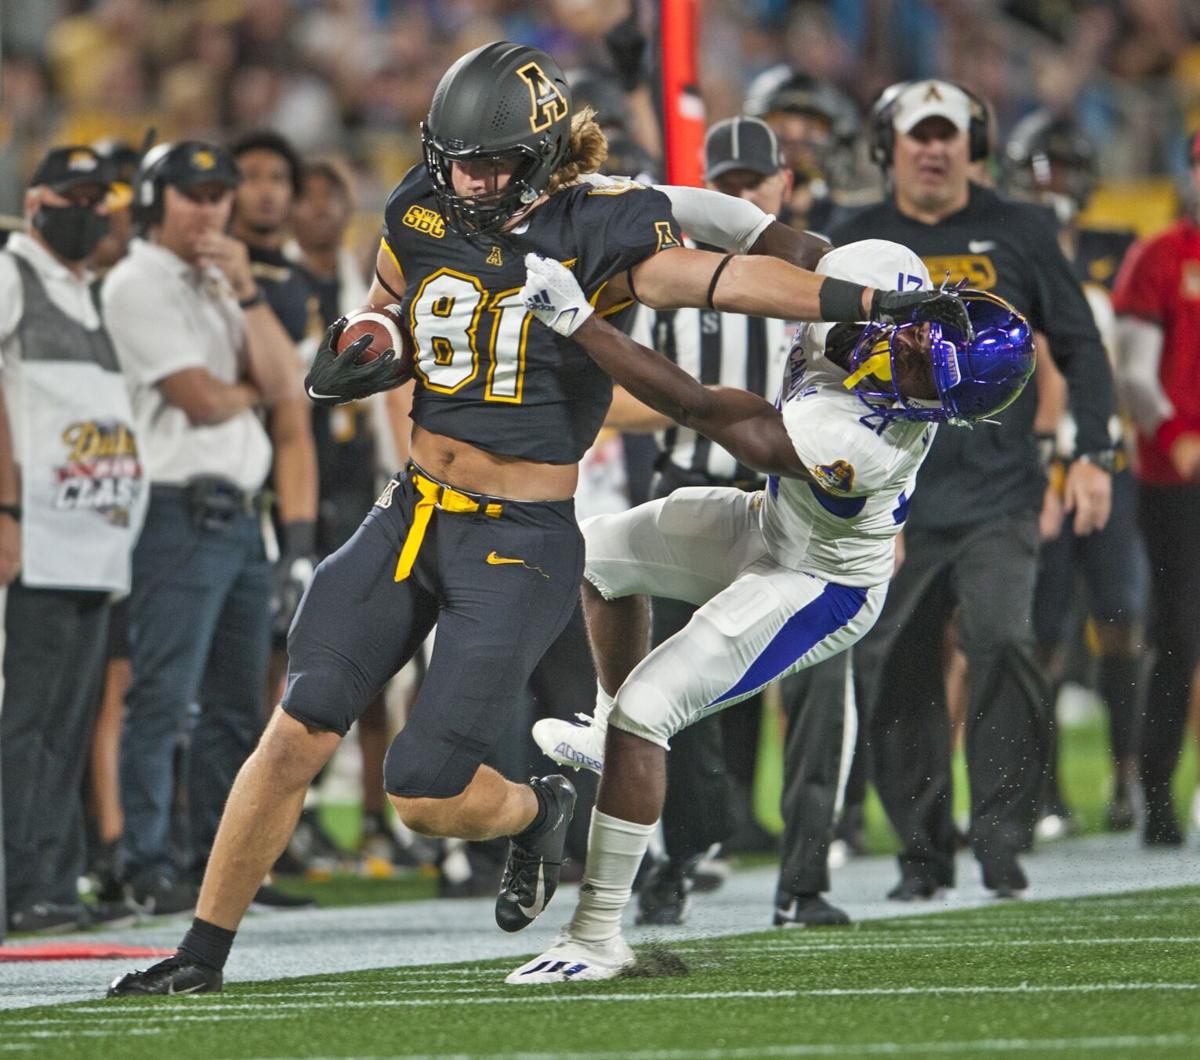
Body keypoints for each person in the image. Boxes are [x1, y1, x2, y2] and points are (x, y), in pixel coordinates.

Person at [107, 41, 964, 996]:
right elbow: (395, 297)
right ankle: (201, 953)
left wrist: (879, 304)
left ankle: (532, 812)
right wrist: (372, 336)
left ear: (546, 153)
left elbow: (727, 279)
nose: (465, 177)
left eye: (488, 160)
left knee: (424, 795)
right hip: (410, 512)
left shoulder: (603, 227)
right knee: (299, 726)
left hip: (517, 538)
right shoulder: (421, 203)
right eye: (454, 156)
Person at [506, 240, 1035, 982]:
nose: (905, 360)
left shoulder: (867, 446)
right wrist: (641, 196)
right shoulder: (874, 273)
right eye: (917, 342)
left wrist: (582, 324)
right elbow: (760, 231)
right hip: (770, 524)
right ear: (925, 310)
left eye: (923, 375)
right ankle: (604, 724)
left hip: (819, 580)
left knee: (649, 712)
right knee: (590, 558)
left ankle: (595, 935)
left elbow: (700, 406)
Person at [535, 116, 855, 929]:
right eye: (729, 180)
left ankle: (806, 875)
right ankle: (675, 862)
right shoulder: (658, 263)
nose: (743, 193)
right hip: (707, 485)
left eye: (756, 180)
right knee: (675, 694)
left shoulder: (825, 277)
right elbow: (621, 388)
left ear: (786, 185)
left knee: (818, 697)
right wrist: (703, 410)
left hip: (814, 509)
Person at [832, 80, 1116, 901]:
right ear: (889, 146)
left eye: (948, 135)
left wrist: (1090, 450)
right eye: (918, 135)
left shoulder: (1021, 230)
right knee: (893, 667)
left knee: (1002, 641)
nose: (933, 149)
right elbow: (816, 362)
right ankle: (923, 854)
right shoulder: (853, 239)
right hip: (892, 499)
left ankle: (1000, 837)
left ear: (973, 145)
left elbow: (1082, 346)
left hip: (999, 491)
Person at [101, 140, 302, 915]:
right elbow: (200, 398)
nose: (209, 208)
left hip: (241, 517)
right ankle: (145, 861)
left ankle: (220, 863)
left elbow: (290, 386)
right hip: (174, 509)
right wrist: (253, 382)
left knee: (234, 706)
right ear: (155, 201)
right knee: (163, 696)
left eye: (217, 194)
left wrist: (249, 297)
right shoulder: (134, 282)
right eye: (191, 194)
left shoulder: (226, 281)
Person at [0, 146, 147, 935]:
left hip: (91, 541)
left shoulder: (83, 287)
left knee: (65, 721)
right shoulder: (13, 272)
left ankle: (51, 882)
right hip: (43, 540)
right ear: (36, 203)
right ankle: (20, 886)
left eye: (100, 197)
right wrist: (5, 508)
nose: (88, 210)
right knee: (31, 720)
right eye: (74, 195)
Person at [1004, 110, 1148, 836]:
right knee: (1045, 629)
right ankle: (1046, 789)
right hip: (1041, 465)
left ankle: (1127, 780)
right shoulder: (1006, 262)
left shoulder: (1106, 262)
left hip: (1106, 461)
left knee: (1121, 617)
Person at [1110, 128, 1200, 846]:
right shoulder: (1160, 256)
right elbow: (1134, 371)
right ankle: (1158, 796)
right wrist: (1174, 437)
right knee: (1177, 633)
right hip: (1177, 479)